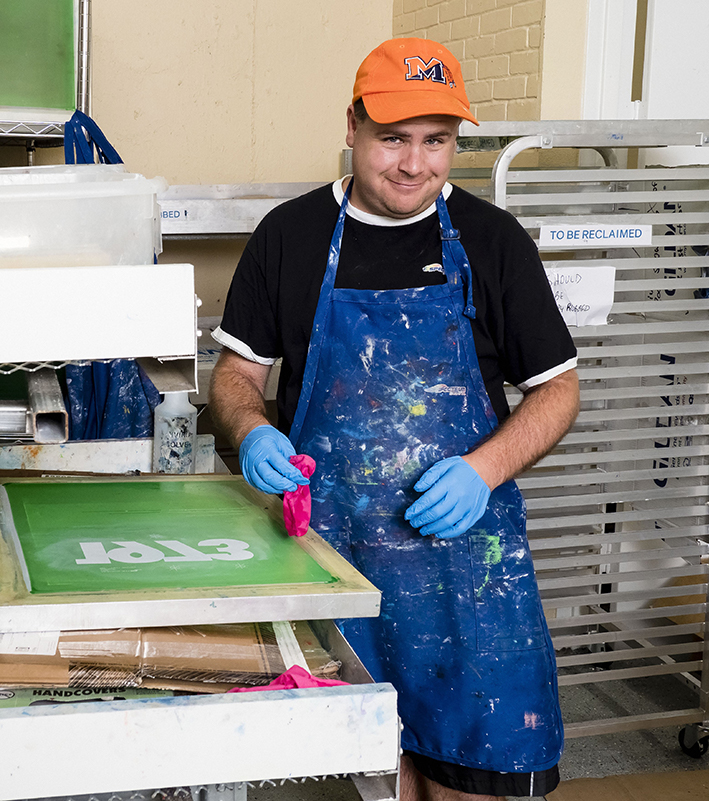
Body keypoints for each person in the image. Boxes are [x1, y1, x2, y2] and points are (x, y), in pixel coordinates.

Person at [209, 37, 579, 801]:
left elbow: (557, 390)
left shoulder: (492, 243)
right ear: (351, 126)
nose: (414, 165)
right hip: (333, 571)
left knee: (478, 773)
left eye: (435, 141)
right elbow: (238, 374)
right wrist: (250, 430)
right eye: (393, 139)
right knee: (366, 777)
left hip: (468, 579)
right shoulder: (290, 236)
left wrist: (484, 469)